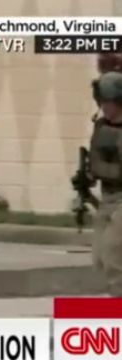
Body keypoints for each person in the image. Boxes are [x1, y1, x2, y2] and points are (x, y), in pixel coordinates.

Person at [89, 71, 122, 296]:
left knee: (113, 254)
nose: (104, 106)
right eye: (101, 101)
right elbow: (94, 160)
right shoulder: (101, 127)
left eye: (107, 101)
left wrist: (103, 170)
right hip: (108, 197)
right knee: (99, 256)